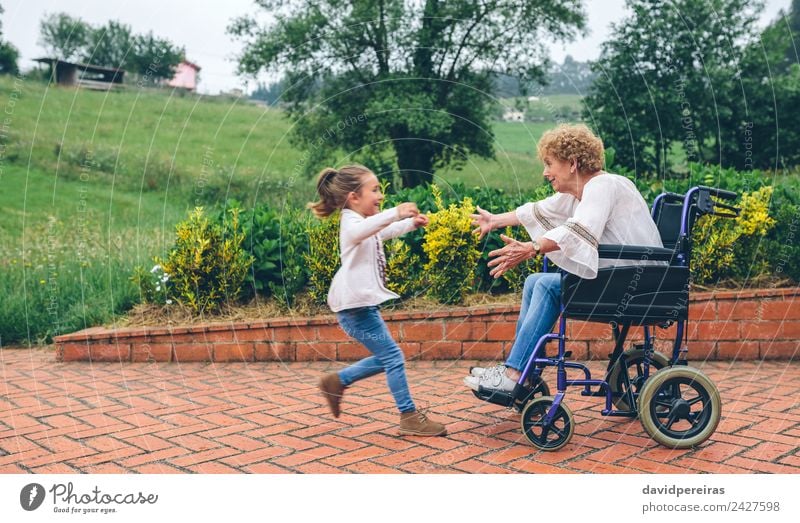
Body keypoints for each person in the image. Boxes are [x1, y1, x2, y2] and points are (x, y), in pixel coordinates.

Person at [464, 124, 664, 393]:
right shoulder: (583, 191)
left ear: (572, 163)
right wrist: (494, 220)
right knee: (536, 280)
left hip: (634, 283)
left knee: (547, 286)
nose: (545, 172)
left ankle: (514, 373)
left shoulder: (602, 186)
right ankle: (525, 372)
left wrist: (533, 247)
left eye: (549, 164)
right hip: (624, 275)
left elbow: (579, 229)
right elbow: (539, 210)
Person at [309, 164, 447, 436]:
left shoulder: (361, 223)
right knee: (393, 357)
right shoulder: (351, 224)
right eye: (374, 190)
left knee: (388, 357)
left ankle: (337, 381)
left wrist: (408, 223)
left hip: (358, 306)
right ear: (353, 197)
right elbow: (370, 228)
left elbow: (381, 232)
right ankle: (408, 416)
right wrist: (396, 212)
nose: (380, 195)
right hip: (353, 309)